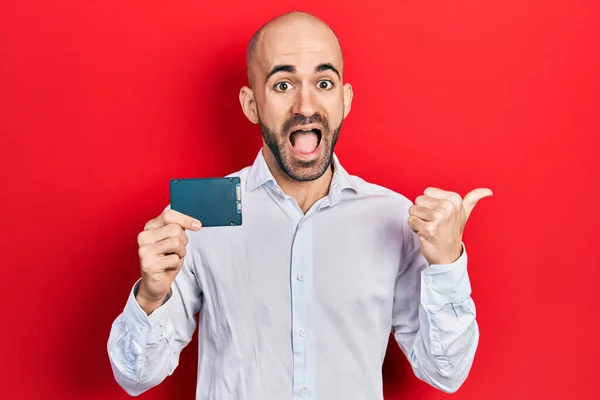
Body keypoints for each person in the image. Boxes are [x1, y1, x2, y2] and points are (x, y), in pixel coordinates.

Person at [107, 11, 492, 400]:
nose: (305, 105)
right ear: (251, 103)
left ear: (344, 100)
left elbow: (446, 372)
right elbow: (135, 377)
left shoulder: (393, 217)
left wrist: (447, 265)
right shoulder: (198, 220)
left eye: (323, 83)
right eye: (283, 84)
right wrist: (150, 297)